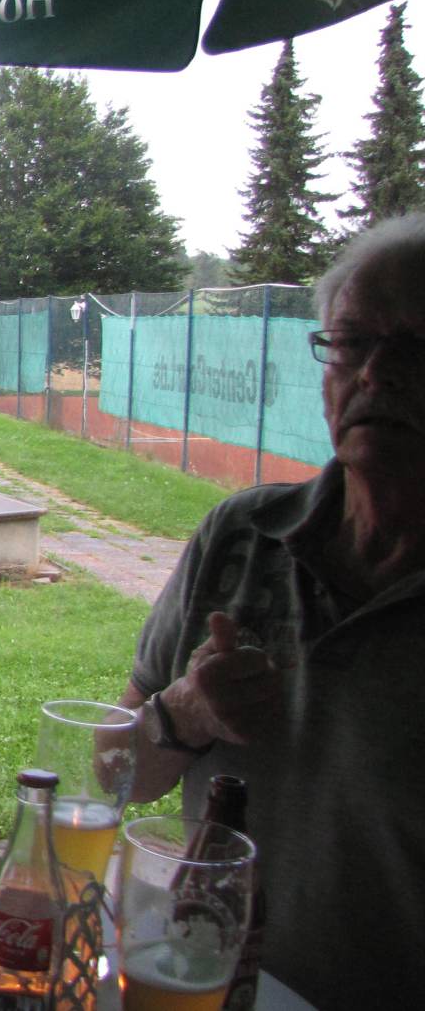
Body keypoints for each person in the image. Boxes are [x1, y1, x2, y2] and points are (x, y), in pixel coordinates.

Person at [120, 214, 425, 1010]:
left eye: (417, 347)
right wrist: (187, 709)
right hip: (200, 989)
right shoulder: (241, 535)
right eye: (352, 342)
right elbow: (117, 774)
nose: (376, 373)